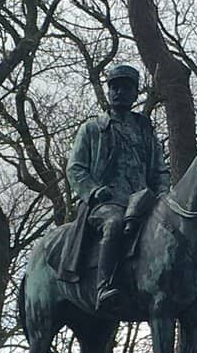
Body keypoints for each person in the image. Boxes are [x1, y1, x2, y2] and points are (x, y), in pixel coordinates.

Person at [66, 64, 170, 311]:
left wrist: (163, 193)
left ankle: (190, 296)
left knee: (177, 230)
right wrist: (93, 191)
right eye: (114, 87)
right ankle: (103, 287)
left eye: (125, 87)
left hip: (142, 202)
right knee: (113, 224)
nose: (118, 92)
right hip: (107, 202)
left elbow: (159, 170)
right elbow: (75, 168)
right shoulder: (93, 129)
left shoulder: (144, 130)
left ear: (135, 93)